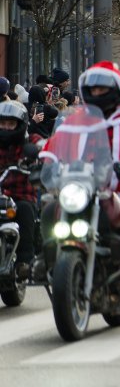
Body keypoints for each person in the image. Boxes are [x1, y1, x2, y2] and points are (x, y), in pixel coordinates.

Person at [38, 62, 120, 288]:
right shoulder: (74, 122)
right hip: (80, 188)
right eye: (92, 90)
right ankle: (47, 258)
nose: (96, 94)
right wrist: (45, 163)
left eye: (102, 89)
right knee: (49, 210)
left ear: (116, 90)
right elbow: (52, 148)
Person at [0, 101, 40, 279]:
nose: (6, 128)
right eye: (2, 123)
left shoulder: (30, 140)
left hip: (21, 194)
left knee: (25, 209)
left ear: (20, 124)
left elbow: (45, 148)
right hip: (0, 195)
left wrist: (39, 156)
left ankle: (25, 261)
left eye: (11, 124)